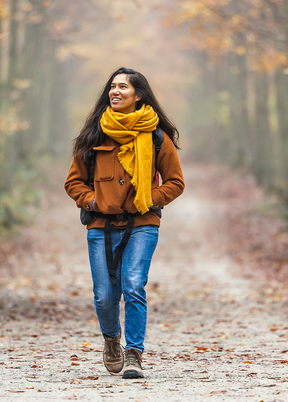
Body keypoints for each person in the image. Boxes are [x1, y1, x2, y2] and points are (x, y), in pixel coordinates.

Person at [64, 67, 184, 379]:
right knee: (105, 295)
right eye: (112, 87)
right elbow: (73, 183)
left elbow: (175, 182)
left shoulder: (156, 137)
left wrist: (150, 199)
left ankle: (134, 353)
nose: (115, 92)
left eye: (123, 87)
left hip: (143, 223)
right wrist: (93, 202)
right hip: (100, 227)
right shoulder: (93, 135)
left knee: (133, 285)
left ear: (139, 95)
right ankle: (110, 340)